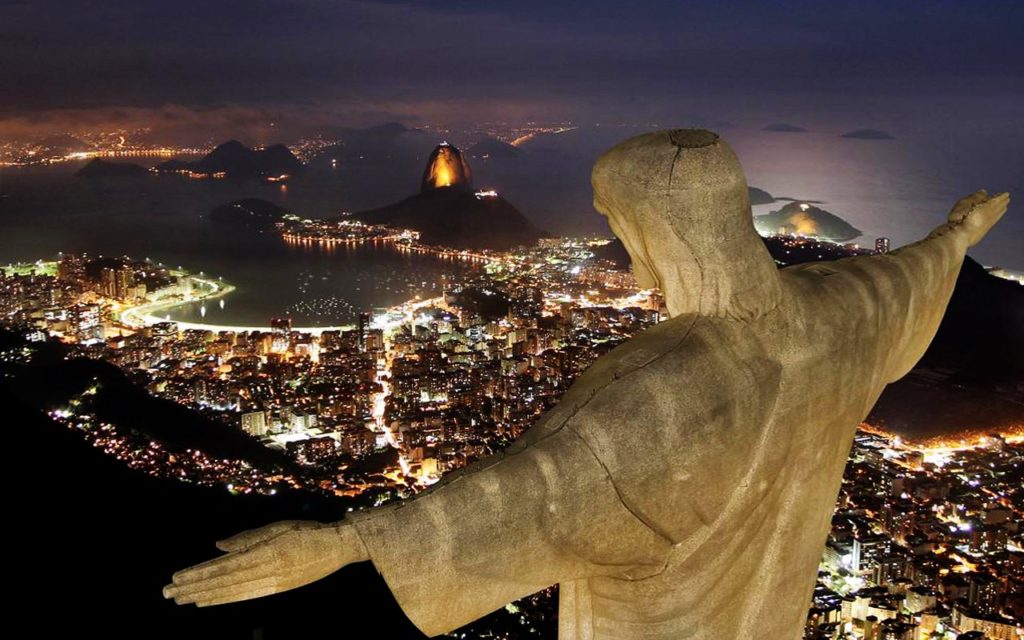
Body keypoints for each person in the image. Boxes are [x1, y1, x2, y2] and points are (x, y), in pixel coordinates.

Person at [164, 129, 1009, 640]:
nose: (610, 232)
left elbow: (531, 493)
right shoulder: (840, 309)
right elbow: (914, 274)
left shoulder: (661, 383)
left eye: (613, 216)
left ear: (650, 224)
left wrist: (348, 543)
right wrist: (959, 231)